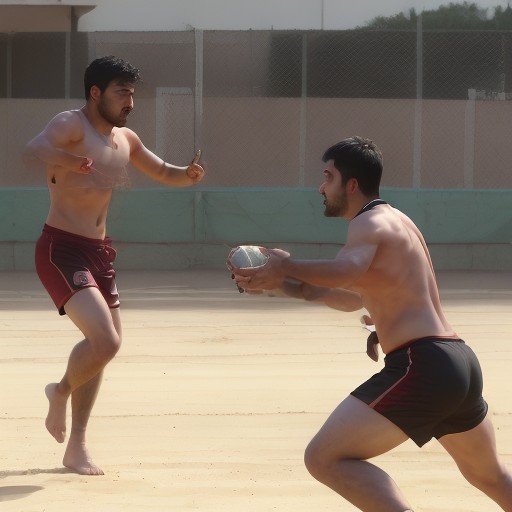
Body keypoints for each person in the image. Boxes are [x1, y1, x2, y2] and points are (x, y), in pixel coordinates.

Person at [231, 136, 512, 511]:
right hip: (457, 363)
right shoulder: (399, 221)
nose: (321, 187)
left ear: (351, 184)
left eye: (327, 177)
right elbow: (348, 295)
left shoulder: (369, 223)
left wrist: (285, 266)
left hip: (423, 366)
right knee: (489, 475)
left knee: (325, 457)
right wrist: (282, 284)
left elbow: (346, 271)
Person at [23, 56, 205, 475]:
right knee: (105, 341)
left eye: (133, 93)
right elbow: (35, 148)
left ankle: (77, 446)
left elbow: (164, 171)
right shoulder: (71, 124)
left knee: (104, 349)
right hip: (61, 248)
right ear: (96, 93)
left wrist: (188, 174)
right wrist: (69, 160)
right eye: (122, 92)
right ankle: (60, 392)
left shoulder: (126, 139)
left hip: (99, 252)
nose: (131, 102)